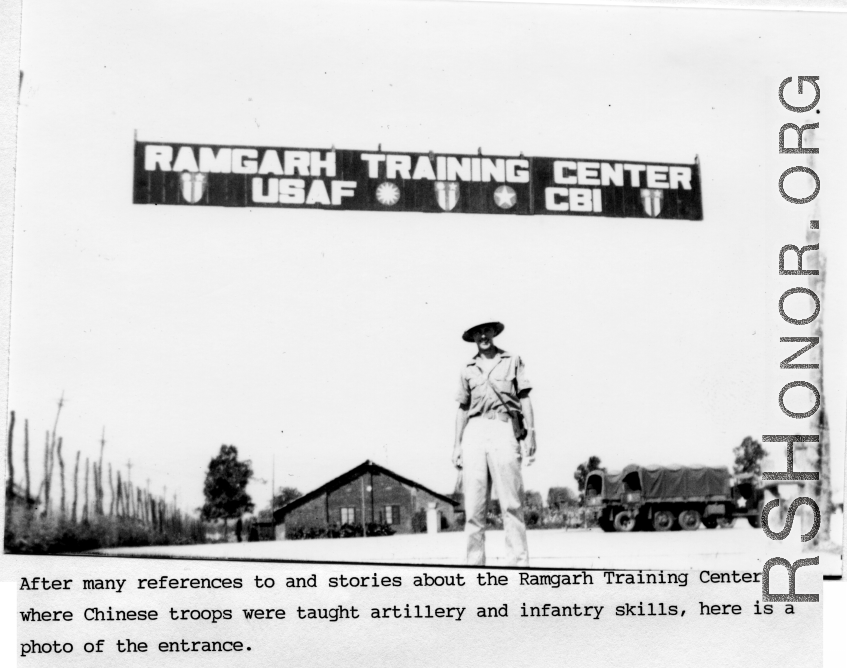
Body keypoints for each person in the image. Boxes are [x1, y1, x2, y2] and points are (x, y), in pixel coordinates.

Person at [453, 321, 536, 566]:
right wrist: (456, 445)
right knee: (474, 508)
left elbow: (525, 398)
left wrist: (531, 433)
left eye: (487, 330)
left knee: (511, 504)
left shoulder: (512, 360)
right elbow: (462, 408)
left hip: (503, 428)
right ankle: (474, 568)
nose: (483, 335)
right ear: (473, 337)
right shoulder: (467, 368)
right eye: (477, 332)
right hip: (475, 432)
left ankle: (519, 566)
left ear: (494, 332)